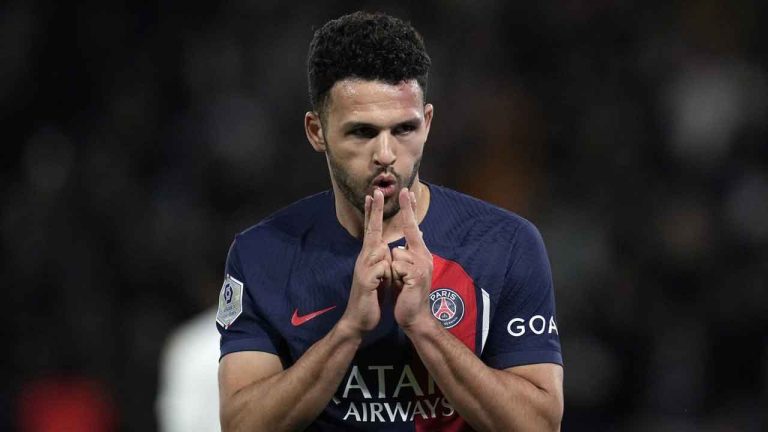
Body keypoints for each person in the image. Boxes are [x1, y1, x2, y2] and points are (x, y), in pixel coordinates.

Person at [217, 11, 563, 431]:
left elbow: (540, 425)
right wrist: (349, 330)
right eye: (362, 132)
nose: (385, 152)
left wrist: (424, 328)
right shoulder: (262, 254)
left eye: (404, 129)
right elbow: (241, 425)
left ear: (428, 123)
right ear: (316, 131)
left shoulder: (506, 244)